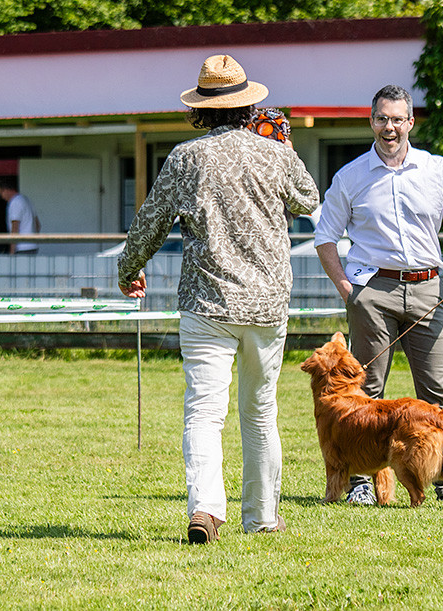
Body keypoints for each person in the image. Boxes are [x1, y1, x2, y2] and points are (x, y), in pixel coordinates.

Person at [118, 54, 318, 542]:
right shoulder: (275, 153)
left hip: (207, 305)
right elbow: (310, 201)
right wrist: (284, 148)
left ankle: (206, 509)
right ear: (249, 106)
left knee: (205, 412)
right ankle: (264, 516)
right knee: (260, 410)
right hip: (267, 303)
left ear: (201, 110)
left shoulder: (185, 158)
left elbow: (150, 221)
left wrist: (129, 271)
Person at [314, 84, 443, 506]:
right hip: (373, 290)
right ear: (372, 121)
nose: (389, 127)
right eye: (382, 119)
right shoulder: (350, 176)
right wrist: (347, 289)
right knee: (363, 395)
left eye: (397, 119)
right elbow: (325, 237)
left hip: (429, 289)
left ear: (410, 122)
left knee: (437, 395)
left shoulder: (435, 168)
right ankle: (360, 486)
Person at [0, 178, 40, 254]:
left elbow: (15, 228)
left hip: (22, 248)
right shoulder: (27, 200)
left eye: (1, 193)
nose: (2, 197)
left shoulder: (15, 203)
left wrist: (12, 251)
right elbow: (38, 225)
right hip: (33, 246)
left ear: (6, 190)